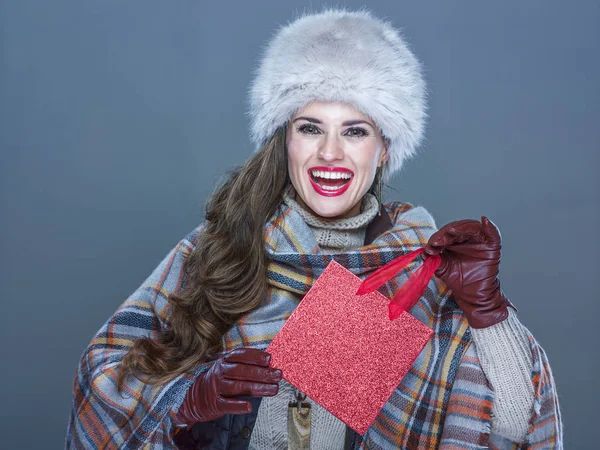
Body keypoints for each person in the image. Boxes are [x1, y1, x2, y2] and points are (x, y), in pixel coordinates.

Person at [66, 8, 563, 450]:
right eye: (310, 128)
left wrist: (488, 314)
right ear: (285, 140)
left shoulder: (419, 271)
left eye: (354, 131)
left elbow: (516, 422)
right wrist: (184, 399)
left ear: (384, 148)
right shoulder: (219, 249)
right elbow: (101, 381)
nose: (330, 152)